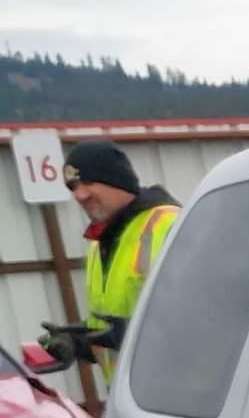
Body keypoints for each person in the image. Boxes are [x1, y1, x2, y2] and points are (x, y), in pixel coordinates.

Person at [53, 140, 181, 385]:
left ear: (117, 180)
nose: (80, 195)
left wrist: (132, 334)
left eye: (89, 182)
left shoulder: (170, 225)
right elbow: (112, 324)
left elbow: (213, 315)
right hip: (130, 401)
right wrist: (79, 342)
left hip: (180, 397)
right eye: (73, 187)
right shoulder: (99, 243)